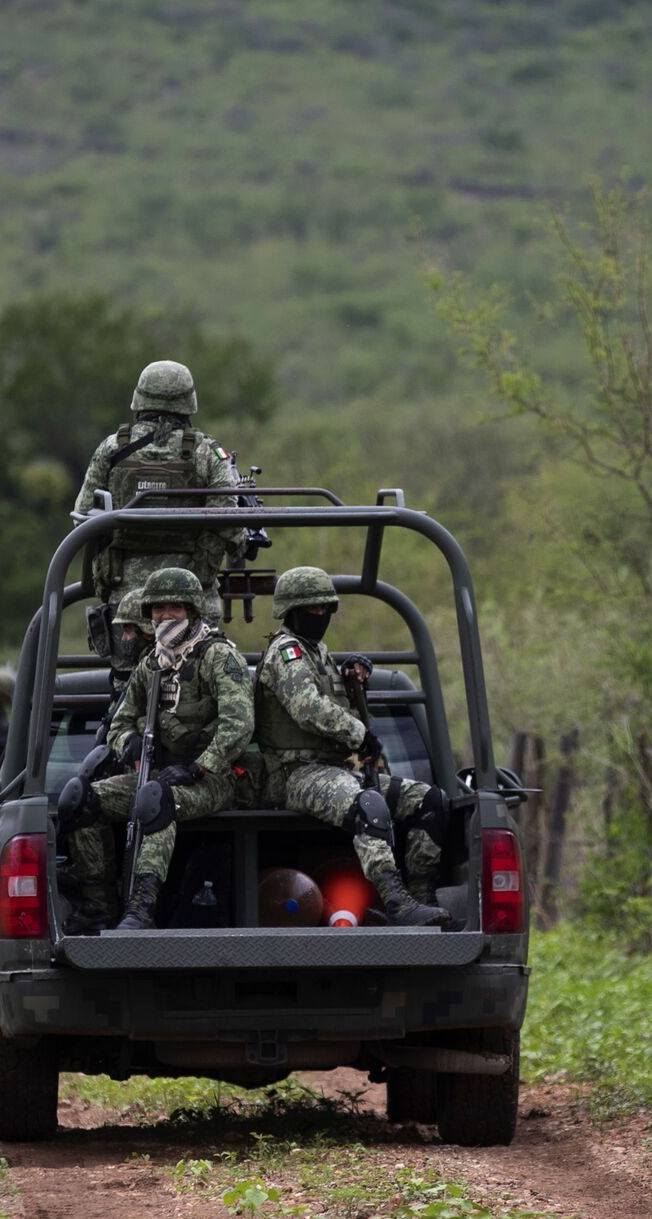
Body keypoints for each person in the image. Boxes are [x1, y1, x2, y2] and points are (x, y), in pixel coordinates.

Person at [252, 567, 449, 928]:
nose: (321, 616)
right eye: (313, 610)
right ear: (291, 612)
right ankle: (396, 901)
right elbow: (307, 708)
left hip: (337, 770)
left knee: (429, 801)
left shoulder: (317, 654)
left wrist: (350, 678)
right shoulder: (287, 653)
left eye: (326, 608)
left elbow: (329, 702)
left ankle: (422, 898)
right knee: (368, 805)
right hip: (295, 774)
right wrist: (358, 733)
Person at [61, 567, 253, 933]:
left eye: (174, 608)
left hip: (214, 779)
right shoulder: (152, 663)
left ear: (192, 611)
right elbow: (120, 721)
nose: (165, 616)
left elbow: (239, 725)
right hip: (158, 773)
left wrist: (199, 767)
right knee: (79, 799)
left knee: (156, 799)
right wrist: (127, 742)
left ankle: (141, 909)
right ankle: (99, 905)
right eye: (157, 609)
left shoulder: (218, 657)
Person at [69, 360, 243, 622]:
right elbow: (229, 524)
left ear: (139, 399)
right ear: (189, 402)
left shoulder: (112, 448)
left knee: (127, 663)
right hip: (192, 601)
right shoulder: (207, 452)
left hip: (126, 602)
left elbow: (82, 515)